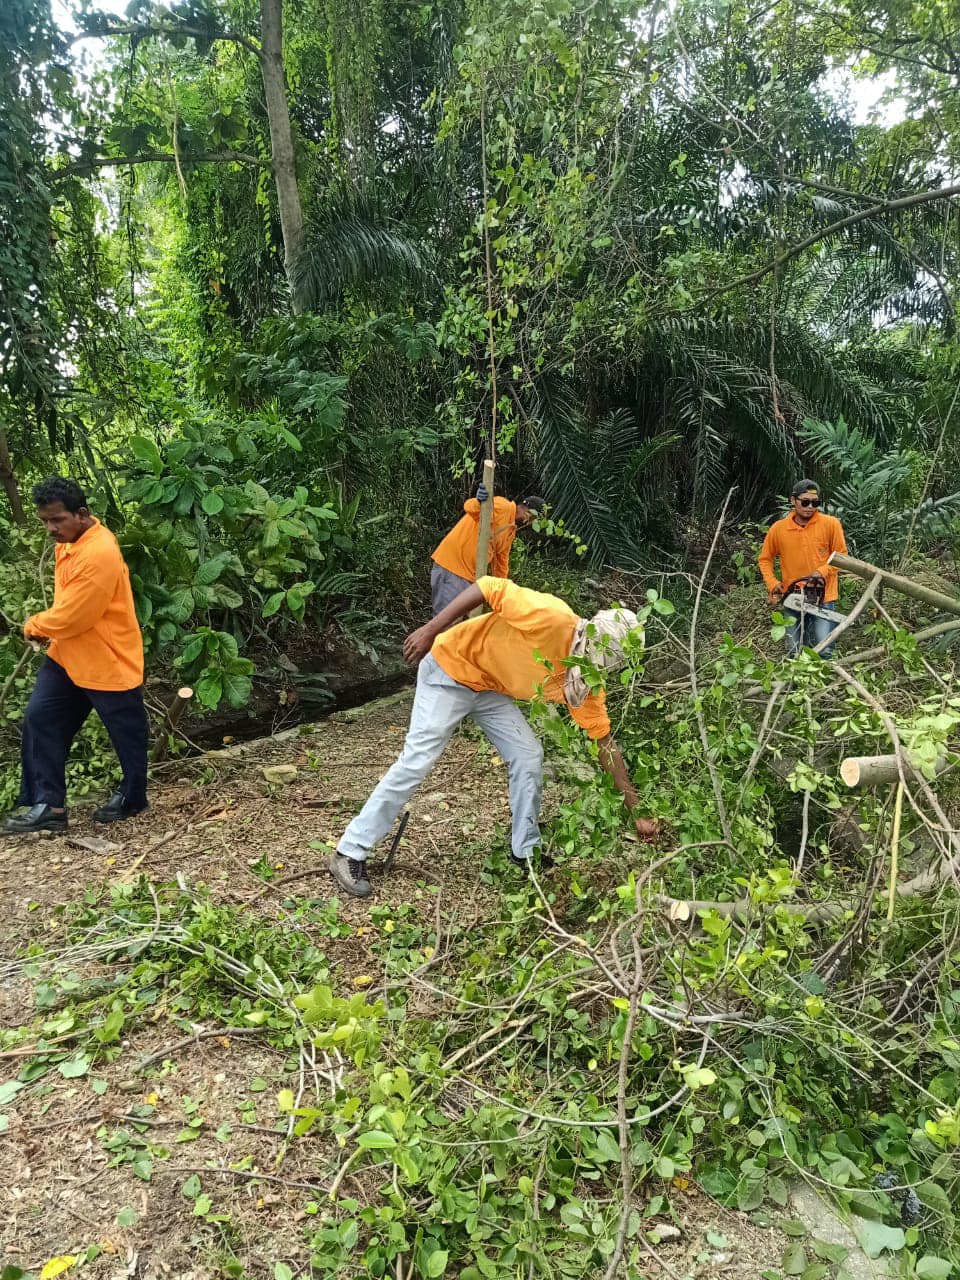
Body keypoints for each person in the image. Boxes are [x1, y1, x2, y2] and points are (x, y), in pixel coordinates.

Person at [328, 576, 658, 898]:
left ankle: (524, 850)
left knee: (529, 755)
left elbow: (605, 744)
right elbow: (488, 586)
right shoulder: (551, 617)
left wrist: (637, 810)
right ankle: (350, 851)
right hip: (450, 668)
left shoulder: (586, 684)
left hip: (489, 689)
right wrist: (431, 629)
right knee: (417, 761)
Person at [3, 477, 150, 835]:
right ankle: (48, 806)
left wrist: (34, 624)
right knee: (41, 719)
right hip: (68, 656)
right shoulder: (68, 543)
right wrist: (47, 628)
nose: (51, 528)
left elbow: (73, 616)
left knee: (127, 733)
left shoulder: (100, 551)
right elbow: (67, 609)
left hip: (107, 658)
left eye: (57, 520)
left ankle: (133, 797)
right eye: (45, 521)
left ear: (81, 514)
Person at [758, 479, 848, 657]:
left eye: (815, 503)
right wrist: (772, 583)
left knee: (825, 646)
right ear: (793, 501)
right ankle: (797, 683)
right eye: (805, 501)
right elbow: (765, 559)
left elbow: (841, 557)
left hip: (824, 595)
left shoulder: (830, 524)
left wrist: (821, 572)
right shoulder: (779, 529)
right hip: (793, 596)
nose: (810, 506)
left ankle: (825, 682)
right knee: (794, 648)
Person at [430, 483, 546, 615]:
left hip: (469, 577)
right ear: (528, 511)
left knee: (457, 625)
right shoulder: (503, 507)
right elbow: (470, 507)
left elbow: (501, 563)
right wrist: (479, 501)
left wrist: (503, 593)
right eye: (533, 519)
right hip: (453, 568)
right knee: (446, 623)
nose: (530, 523)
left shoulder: (510, 529)